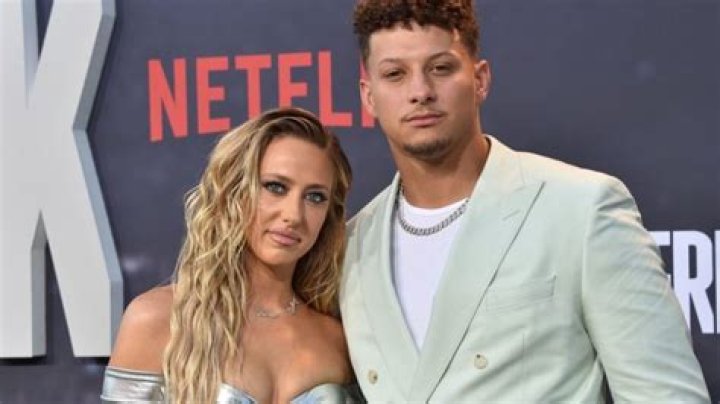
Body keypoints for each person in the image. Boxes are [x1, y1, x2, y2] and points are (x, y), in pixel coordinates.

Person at [339, 0, 710, 402]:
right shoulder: (351, 247)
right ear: (368, 96)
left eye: (441, 68)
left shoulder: (580, 209)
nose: (420, 92)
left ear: (480, 79)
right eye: (395, 74)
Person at [102, 107, 357, 403]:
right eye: (275, 187)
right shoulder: (159, 319)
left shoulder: (337, 340)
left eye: (315, 197)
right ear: (234, 191)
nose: (293, 215)